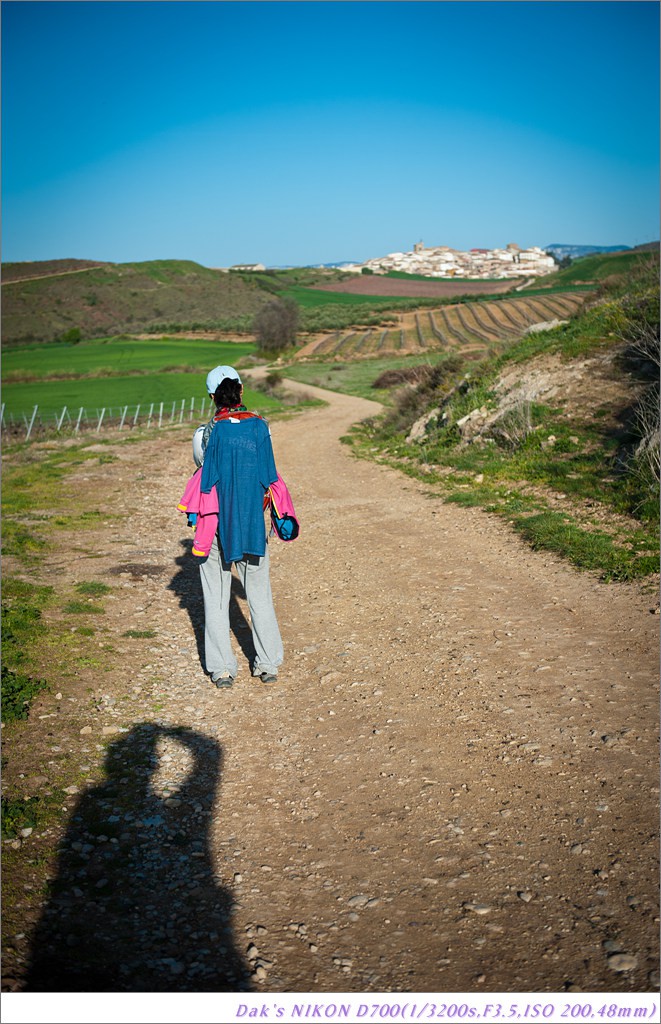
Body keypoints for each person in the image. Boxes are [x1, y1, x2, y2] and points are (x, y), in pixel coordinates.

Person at [196, 366, 284, 689]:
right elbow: (269, 476)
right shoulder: (262, 428)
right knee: (259, 594)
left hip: (217, 523)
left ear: (211, 397)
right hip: (250, 522)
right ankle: (268, 663)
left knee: (216, 596)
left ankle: (221, 670)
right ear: (241, 391)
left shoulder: (207, 433)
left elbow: (204, 476)